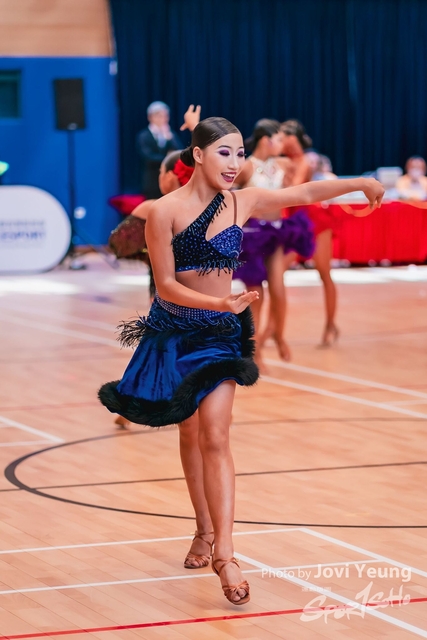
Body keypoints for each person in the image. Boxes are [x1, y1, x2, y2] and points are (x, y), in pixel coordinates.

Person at [98, 116, 384, 606]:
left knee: (215, 434)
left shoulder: (240, 202)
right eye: (224, 153)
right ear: (198, 155)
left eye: (239, 154)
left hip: (220, 335)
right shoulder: (164, 212)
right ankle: (203, 529)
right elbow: (165, 286)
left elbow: (305, 193)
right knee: (189, 433)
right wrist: (219, 301)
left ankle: (226, 554)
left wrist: (359, 182)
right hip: (175, 333)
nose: (234, 163)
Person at [233, 119, 314, 365]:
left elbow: (303, 174)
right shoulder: (246, 167)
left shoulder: (283, 163)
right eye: (279, 139)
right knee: (256, 294)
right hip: (253, 236)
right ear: (266, 140)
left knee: (278, 289)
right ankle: (252, 349)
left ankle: (278, 335)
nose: (283, 144)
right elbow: (227, 194)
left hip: (276, 233)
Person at [281, 120, 340, 346]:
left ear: (292, 138)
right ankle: (273, 329)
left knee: (324, 272)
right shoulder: (283, 161)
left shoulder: (304, 160)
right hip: (294, 222)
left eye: (283, 136)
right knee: (276, 272)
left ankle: (330, 324)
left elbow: (295, 190)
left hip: (313, 221)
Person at [136, 101, 182, 199]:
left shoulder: (170, 134)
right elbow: (148, 157)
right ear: (150, 117)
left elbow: (179, 154)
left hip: (169, 180)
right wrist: (168, 158)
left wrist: (169, 139)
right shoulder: (144, 136)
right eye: (159, 116)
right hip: (151, 181)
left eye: (165, 116)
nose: (163, 119)